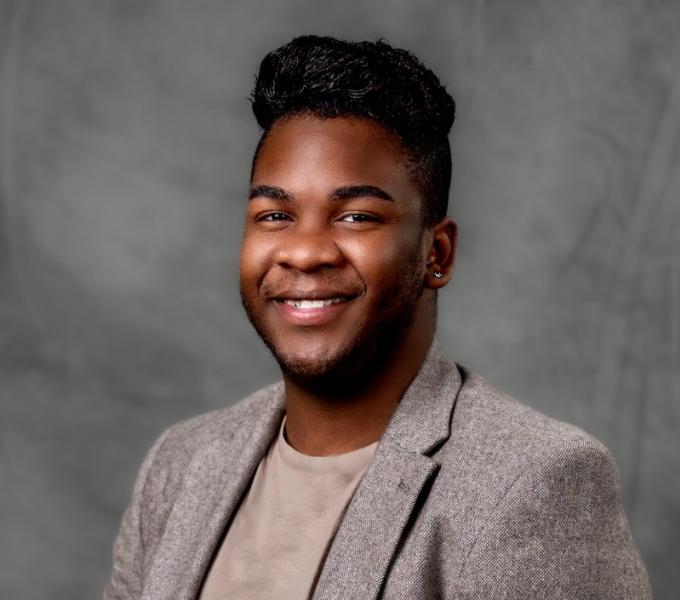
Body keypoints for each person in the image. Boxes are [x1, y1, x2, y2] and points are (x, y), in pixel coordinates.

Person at [104, 35, 652, 600]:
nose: (305, 251)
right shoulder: (181, 463)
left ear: (435, 254)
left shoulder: (533, 484)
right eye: (274, 214)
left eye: (357, 215)